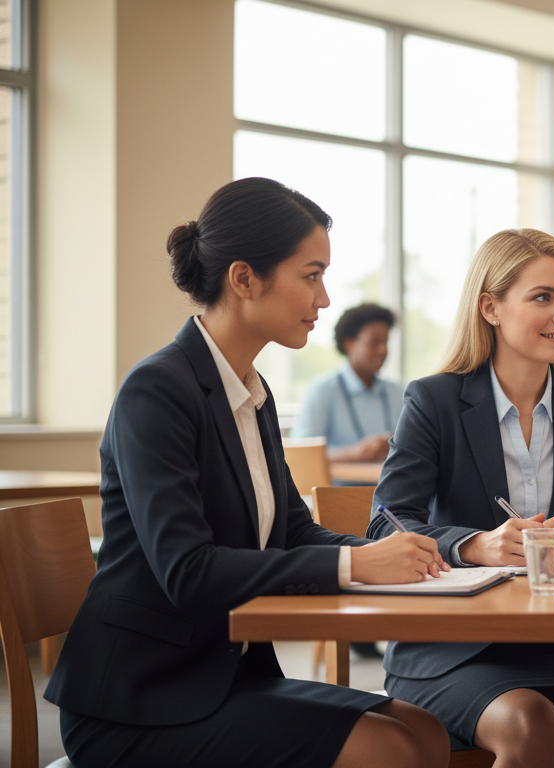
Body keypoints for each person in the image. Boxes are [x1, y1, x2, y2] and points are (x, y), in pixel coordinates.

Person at [43, 178, 452, 768]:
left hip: (221, 675)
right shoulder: (157, 391)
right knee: (389, 747)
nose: (325, 298)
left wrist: (395, 558)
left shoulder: (250, 394)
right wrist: (357, 563)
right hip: (140, 698)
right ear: (244, 279)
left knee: (425, 732)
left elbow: (292, 530)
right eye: (311, 275)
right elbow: (187, 570)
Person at [368, 228, 554, 768]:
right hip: (452, 644)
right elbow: (385, 524)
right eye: (543, 297)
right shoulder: (434, 400)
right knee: (529, 720)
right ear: (490, 309)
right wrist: (474, 545)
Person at [295, 302, 406, 465]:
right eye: (375, 342)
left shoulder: (399, 392)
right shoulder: (322, 392)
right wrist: (355, 453)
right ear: (350, 344)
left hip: (390, 489)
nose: (383, 350)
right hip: (338, 489)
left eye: (386, 342)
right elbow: (301, 455)